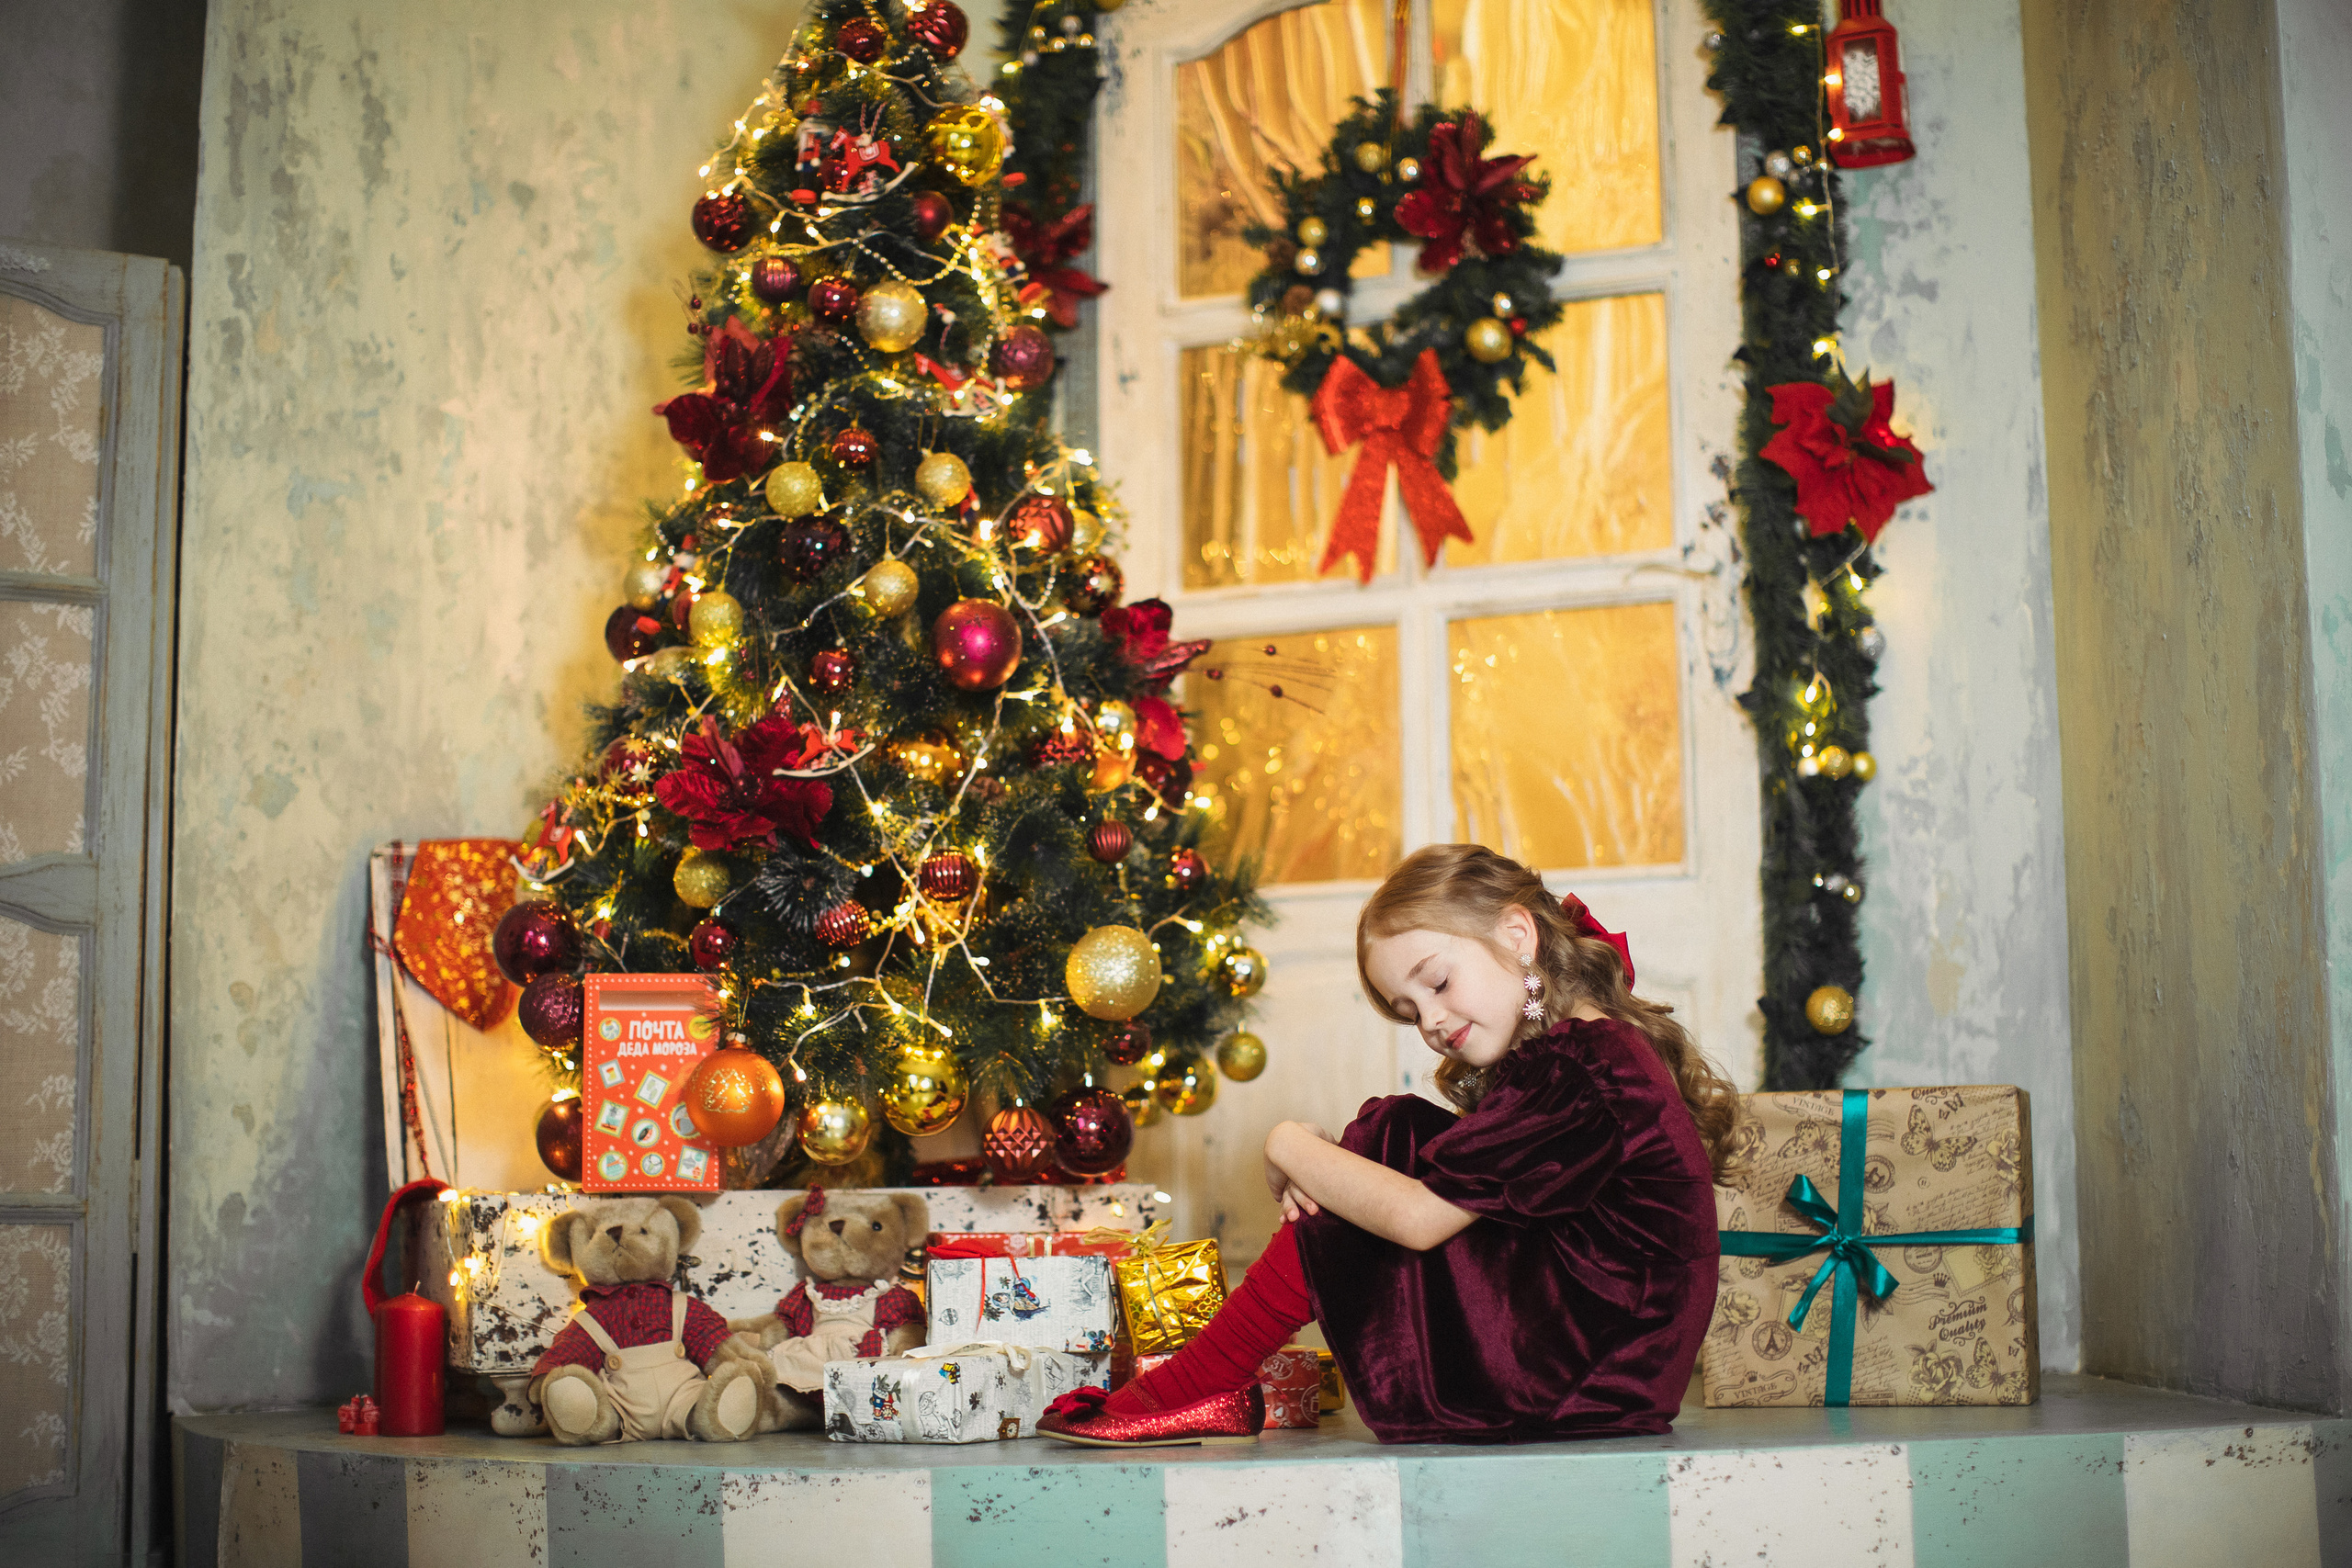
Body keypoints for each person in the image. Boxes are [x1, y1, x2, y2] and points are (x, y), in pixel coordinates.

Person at [1036, 843, 1739, 1447]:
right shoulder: (1578, 1049)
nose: (1430, 1020)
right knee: (1393, 1135)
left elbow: (1419, 1217)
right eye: (1410, 1011)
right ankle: (1210, 1377)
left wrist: (1285, 1139)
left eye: (1435, 981)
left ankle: (1201, 1380)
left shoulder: (1581, 1062)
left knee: (1385, 1142)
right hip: (1603, 1352)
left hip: (1597, 1368)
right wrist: (1327, 1161)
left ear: (1518, 935)